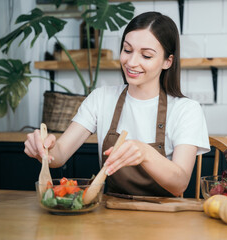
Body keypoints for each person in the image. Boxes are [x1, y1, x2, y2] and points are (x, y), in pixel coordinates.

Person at [24, 11, 210, 197]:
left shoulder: (185, 110)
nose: (131, 62)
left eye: (146, 56)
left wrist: (144, 153)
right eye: (127, 50)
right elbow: (60, 154)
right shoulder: (102, 98)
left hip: (164, 218)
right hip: (111, 213)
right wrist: (43, 149)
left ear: (167, 62)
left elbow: (180, 183)